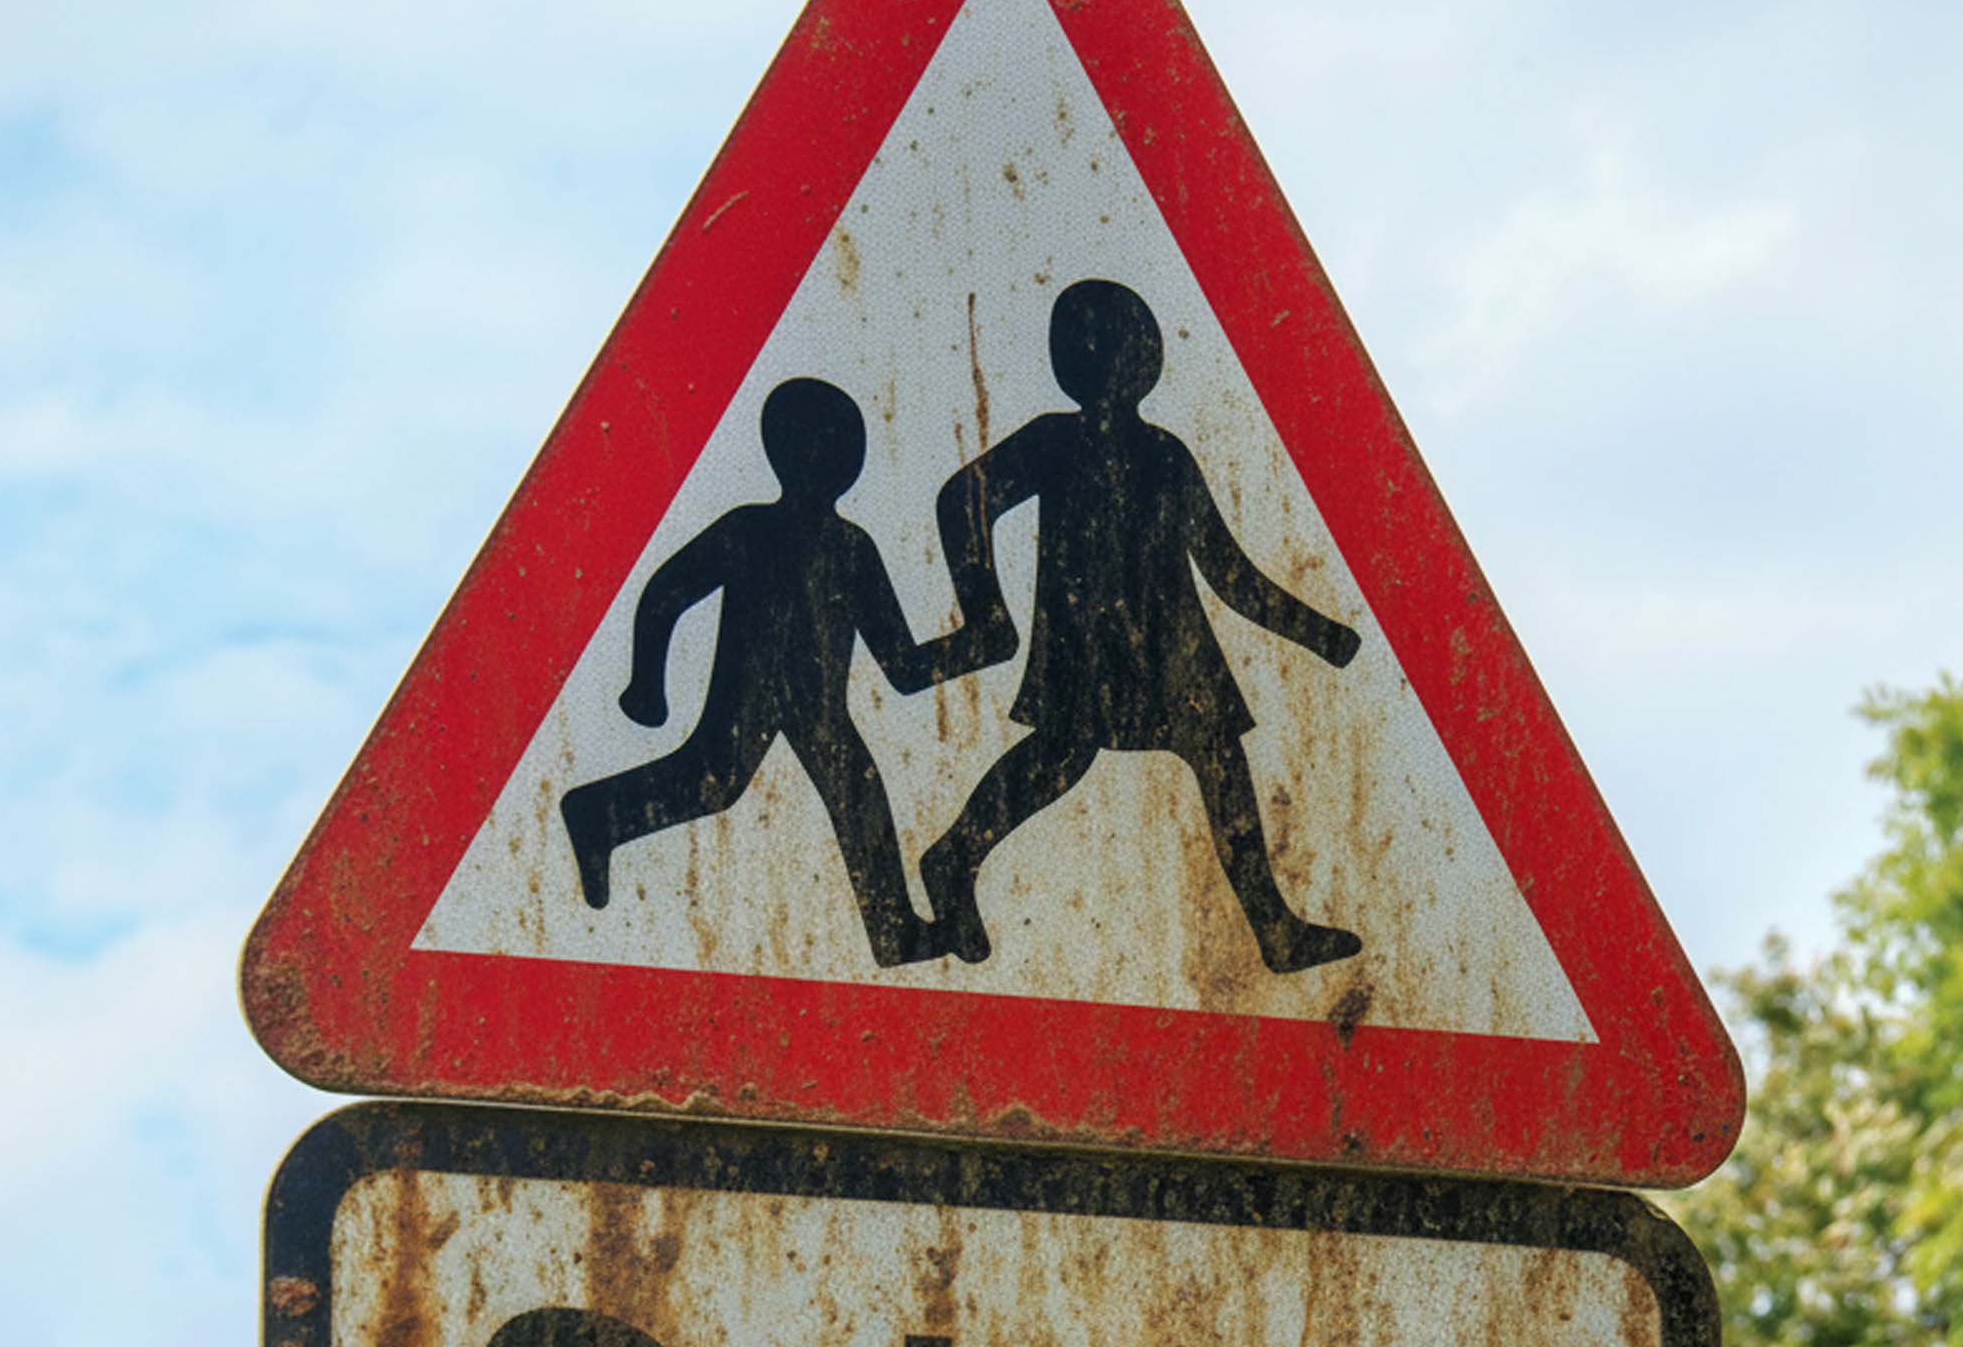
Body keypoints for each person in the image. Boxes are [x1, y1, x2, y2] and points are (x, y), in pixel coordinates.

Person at [916, 279, 1363, 973]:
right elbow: (959, 501)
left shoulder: (1166, 455)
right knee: (1064, 757)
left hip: (1166, 647)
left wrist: (1317, 633)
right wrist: (986, 611)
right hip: (1089, 646)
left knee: (1196, 756)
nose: (1130, 361)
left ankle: (1273, 929)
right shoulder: (1052, 442)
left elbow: (1227, 570)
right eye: (1118, 347)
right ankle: (953, 856)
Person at [560, 376, 989, 965]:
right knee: (714, 781)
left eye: (845, 445)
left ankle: (895, 934)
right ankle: (595, 814)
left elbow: (902, 664)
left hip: (819, 706)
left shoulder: (852, 548)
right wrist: (645, 683)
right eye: (826, 444)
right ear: (783, 449)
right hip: (749, 695)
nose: (837, 457)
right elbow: (667, 592)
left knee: (847, 793)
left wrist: (974, 648)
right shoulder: (748, 530)